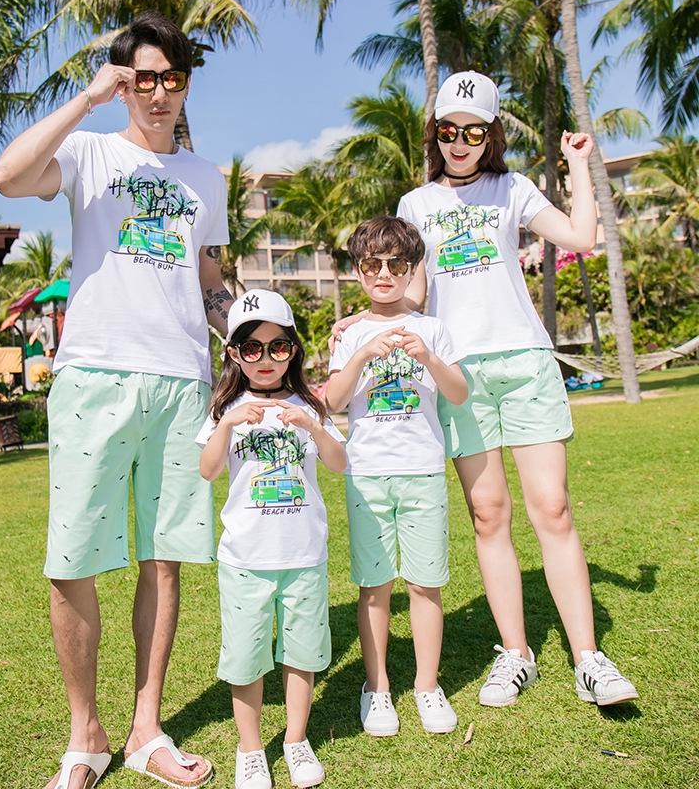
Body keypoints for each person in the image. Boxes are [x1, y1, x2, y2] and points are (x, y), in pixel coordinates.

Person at [0, 11, 233, 789]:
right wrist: (88, 99)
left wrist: (252, 335)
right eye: (142, 79)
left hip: (181, 382)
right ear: (125, 82)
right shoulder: (91, 152)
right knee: (74, 561)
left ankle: (145, 729)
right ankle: (83, 736)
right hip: (95, 375)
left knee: (164, 562)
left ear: (186, 84)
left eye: (171, 79)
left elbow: (207, 280)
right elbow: (6, 176)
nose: (157, 93)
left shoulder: (205, 177)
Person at [394, 70, 639, 708]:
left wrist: (579, 165)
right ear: (436, 133)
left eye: (473, 130)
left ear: (490, 133)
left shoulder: (513, 189)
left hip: (524, 362)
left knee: (551, 507)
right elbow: (414, 294)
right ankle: (517, 653)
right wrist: (371, 318)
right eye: (448, 130)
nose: (459, 142)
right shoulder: (415, 206)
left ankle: (589, 658)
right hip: (458, 374)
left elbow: (582, 238)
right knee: (488, 514)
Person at [196, 290, 347, 789]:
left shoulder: (309, 404)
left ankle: (296, 741)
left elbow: (339, 463)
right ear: (235, 354)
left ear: (294, 350)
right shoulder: (226, 408)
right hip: (245, 557)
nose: (265, 359)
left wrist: (314, 426)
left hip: (304, 554)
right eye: (252, 348)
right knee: (246, 656)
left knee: (302, 653)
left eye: (277, 347)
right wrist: (227, 425)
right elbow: (208, 469)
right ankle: (251, 749)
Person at [326, 217, 468, 737]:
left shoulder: (432, 328)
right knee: (374, 585)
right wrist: (362, 352)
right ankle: (378, 686)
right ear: (358, 272)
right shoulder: (351, 333)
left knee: (426, 583)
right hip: (367, 475)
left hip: (423, 471)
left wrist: (427, 356)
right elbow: (333, 402)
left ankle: (427, 686)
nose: (383, 274)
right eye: (371, 265)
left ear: (411, 270)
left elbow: (457, 393)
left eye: (396, 265)